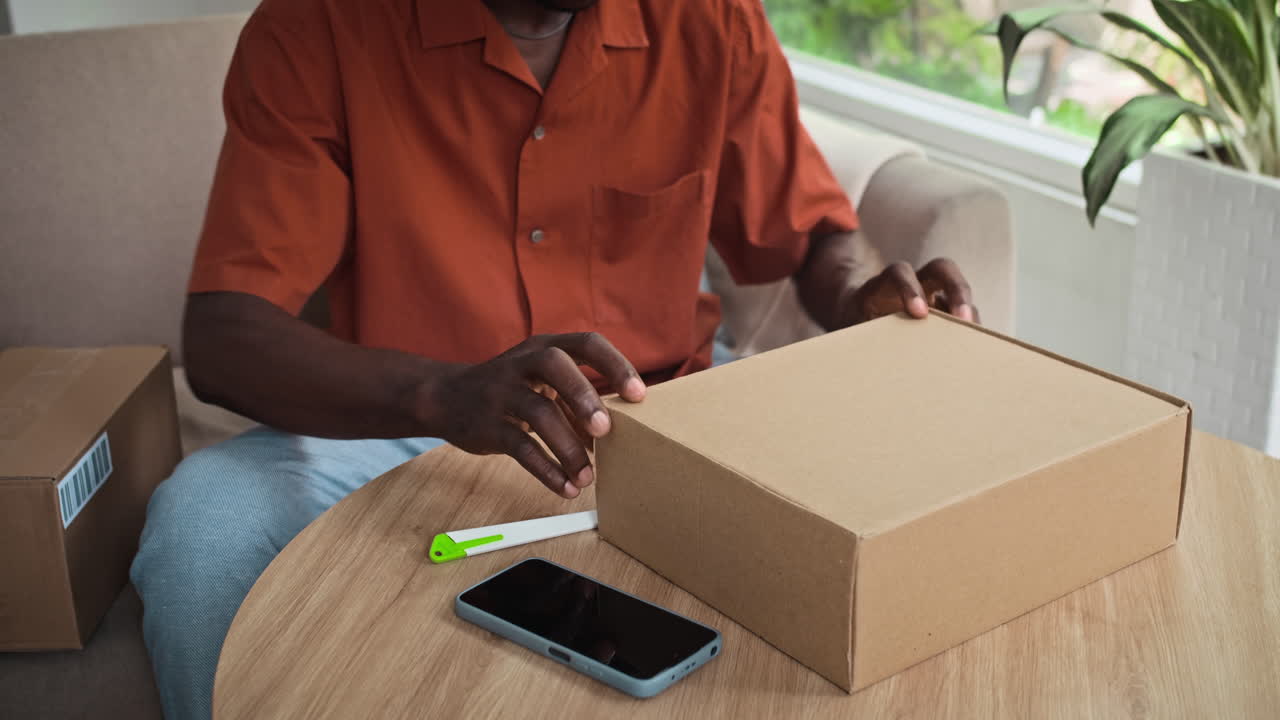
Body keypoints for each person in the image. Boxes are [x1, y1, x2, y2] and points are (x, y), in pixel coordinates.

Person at [130, 0, 979, 717]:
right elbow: (225, 338)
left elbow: (810, 233)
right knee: (203, 529)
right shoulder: (317, 28)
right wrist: (437, 393)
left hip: (663, 415)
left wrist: (867, 293)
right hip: (401, 428)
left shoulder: (707, 17)